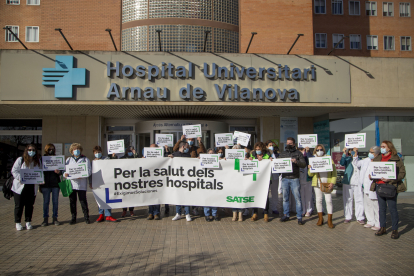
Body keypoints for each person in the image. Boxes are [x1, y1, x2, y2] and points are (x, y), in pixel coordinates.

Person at [371, 141, 406, 239]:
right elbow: (374, 171)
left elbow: (402, 173)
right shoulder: (377, 159)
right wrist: (371, 176)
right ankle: (383, 228)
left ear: (389, 148)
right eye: (381, 146)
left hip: (390, 186)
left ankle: (395, 230)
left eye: (383, 146)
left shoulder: (396, 159)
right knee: (381, 209)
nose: (381, 148)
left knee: (392, 209)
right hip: (379, 186)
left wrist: (390, 179)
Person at [173, 135, 206, 216]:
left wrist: (200, 142)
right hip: (184, 172)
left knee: (194, 192)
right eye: (189, 139)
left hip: (193, 173)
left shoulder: (195, 148)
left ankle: (194, 208)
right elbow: (174, 149)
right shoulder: (184, 148)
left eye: (192, 139)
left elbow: (203, 151)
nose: (191, 141)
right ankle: (184, 209)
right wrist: (180, 140)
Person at [11, 144, 42, 231]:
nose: (31, 152)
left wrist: (40, 180)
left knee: (29, 205)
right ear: (26, 151)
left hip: (32, 187)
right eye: (30, 150)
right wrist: (20, 178)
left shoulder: (37, 161)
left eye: (33, 150)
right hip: (20, 187)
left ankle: (28, 221)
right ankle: (18, 222)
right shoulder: (20, 160)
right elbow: (14, 170)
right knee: (19, 205)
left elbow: (40, 172)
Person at [277, 137, 306, 225]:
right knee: (285, 198)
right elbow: (277, 164)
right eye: (287, 143)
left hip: (294, 178)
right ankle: (286, 215)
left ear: (294, 144)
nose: (288, 145)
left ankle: (299, 217)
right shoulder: (283, 153)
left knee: (298, 199)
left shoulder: (298, 153)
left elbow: (303, 164)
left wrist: (296, 161)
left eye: (290, 143)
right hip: (285, 178)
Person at [308, 144, 337, 228]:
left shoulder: (329, 158)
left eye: (321, 149)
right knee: (318, 200)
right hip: (317, 183)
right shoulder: (313, 159)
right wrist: (310, 168)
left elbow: (334, 173)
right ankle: (320, 219)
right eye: (317, 150)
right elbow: (310, 174)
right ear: (315, 151)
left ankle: (330, 220)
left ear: (323, 150)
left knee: (329, 201)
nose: (319, 151)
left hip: (327, 183)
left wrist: (332, 183)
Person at [63, 143, 92, 225]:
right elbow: (64, 171)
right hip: (71, 184)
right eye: (75, 149)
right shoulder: (68, 160)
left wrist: (82, 175)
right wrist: (64, 174)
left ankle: (86, 217)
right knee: (72, 201)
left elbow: (89, 171)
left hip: (81, 184)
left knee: (83, 201)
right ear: (72, 151)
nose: (76, 151)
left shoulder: (85, 159)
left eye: (78, 149)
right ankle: (73, 218)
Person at [354, 146, 381, 231]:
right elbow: (357, 163)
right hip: (365, 186)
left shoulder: (380, 161)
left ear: (376, 154)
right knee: (367, 204)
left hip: (373, 187)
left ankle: (378, 223)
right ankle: (370, 221)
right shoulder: (366, 160)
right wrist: (355, 154)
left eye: (371, 152)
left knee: (375, 206)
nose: (370, 153)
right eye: (369, 151)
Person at [90, 146, 117, 222]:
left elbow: (112, 165)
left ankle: (108, 215)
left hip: (106, 182)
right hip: (97, 183)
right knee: (100, 199)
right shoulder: (93, 162)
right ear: (94, 153)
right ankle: (101, 215)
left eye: (99, 152)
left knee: (108, 198)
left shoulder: (106, 159)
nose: (97, 154)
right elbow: (90, 173)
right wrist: (90, 182)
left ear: (101, 152)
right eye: (96, 152)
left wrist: (114, 157)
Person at [249, 142, 273, 222]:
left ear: (262, 149)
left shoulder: (267, 155)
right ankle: (255, 212)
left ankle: (266, 213)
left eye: (259, 149)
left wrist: (269, 160)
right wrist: (250, 160)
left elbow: (272, 163)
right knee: (255, 195)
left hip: (265, 179)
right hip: (255, 178)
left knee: (265, 196)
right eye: (256, 149)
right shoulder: (253, 154)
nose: (257, 151)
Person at [169, 141, 192, 221]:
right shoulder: (174, 155)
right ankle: (178, 213)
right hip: (177, 179)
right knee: (178, 196)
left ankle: (187, 213)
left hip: (186, 179)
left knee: (186, 196)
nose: (188, 148)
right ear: (183, 147)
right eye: (187, 146)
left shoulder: (188, 155)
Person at [340, 147, 365, 224]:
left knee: (359, 199)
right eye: (352, 150)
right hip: (348, 182)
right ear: (349, 151)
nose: (353, 151)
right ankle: (348, 216)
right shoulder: (347, 159)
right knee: (348, 199)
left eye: (355, 150)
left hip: (358, 182)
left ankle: (360, 217)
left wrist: (356, 155)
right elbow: (341, 163)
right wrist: (344, 153)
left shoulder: (360, 160)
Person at [41, 144, 61, 226]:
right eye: (49, 149)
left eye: (53, 149)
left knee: (55, 202)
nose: (51, 150)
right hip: (45, 184)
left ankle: (55, 218)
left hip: (55, 183)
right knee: (46, 202)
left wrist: (59, 172)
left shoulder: (58, 159)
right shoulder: (42, 159)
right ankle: (45, 218)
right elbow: (38, 170)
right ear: (46, 149)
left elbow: (62, 170)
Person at [144, 143, 161, 220]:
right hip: (149, 178)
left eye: (154, 148)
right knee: (150, 196)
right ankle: (150, 213)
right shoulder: (146, 156)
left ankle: (156, 213)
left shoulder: (160, 156)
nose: (152, 150)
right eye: (151, 148)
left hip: (157, 178)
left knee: (157, 196)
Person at [119, 147, 138, 217]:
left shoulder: (134, 157)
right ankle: (124, 210)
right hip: (124, 179)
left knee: (131, 196)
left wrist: (135, 154)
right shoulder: (122, 158)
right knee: (124, 195)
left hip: (132, 179)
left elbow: (138, 162)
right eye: (129, 150)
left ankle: (131, 210)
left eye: (131, 150)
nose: (130, 152)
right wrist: (113, 156)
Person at [201, 148, 219, 222]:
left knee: (214, 199)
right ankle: (207, 214)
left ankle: (214, 214)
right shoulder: (203, 160)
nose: (211, 155)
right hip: (206, 182)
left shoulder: (217, 161)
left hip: (215, 182)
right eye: (209, 153)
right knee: (207, 199)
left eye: (212, 153)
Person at [298, 147, 313, 217]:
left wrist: (307, 151)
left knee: (308, 197)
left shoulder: (308, 157)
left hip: (307, 180)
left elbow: (312, 159)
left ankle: (308, 210)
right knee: (302, 197)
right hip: (300, 181)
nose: (301, 152)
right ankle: (303, 210)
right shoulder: (298, 160)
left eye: (302, 150)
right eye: (300, 150)